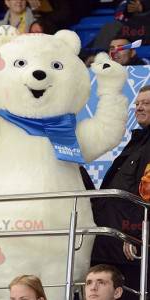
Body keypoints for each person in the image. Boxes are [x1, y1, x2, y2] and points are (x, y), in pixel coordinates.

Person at [91, 85, 150, 300]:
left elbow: (146, 197)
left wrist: (137, 236)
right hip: (109, 244)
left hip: (132, 250)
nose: (139, 108)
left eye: (146, 103)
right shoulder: (137, 142)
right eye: (137, 104)